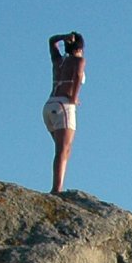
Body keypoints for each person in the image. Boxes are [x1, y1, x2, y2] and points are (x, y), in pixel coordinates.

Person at [43, 32, 85, 193]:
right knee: (63, 149)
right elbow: (78, 74)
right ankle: (57, 188)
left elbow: (51, 41)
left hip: (49, 105)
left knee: (63, 149)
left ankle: (57, 185)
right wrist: (74, 97)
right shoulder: (78, 61)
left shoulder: (58, 61)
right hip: (64, 105)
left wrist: (64, 36)